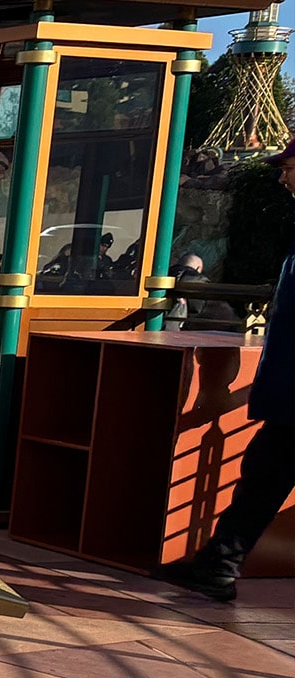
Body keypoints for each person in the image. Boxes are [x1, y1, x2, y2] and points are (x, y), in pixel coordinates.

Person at [162, 141, 295, 602]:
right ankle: (217, 566)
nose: (283, 178)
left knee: (263, 478)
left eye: (289, 169)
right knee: (262, 477)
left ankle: (218, 566)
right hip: (288, 398)